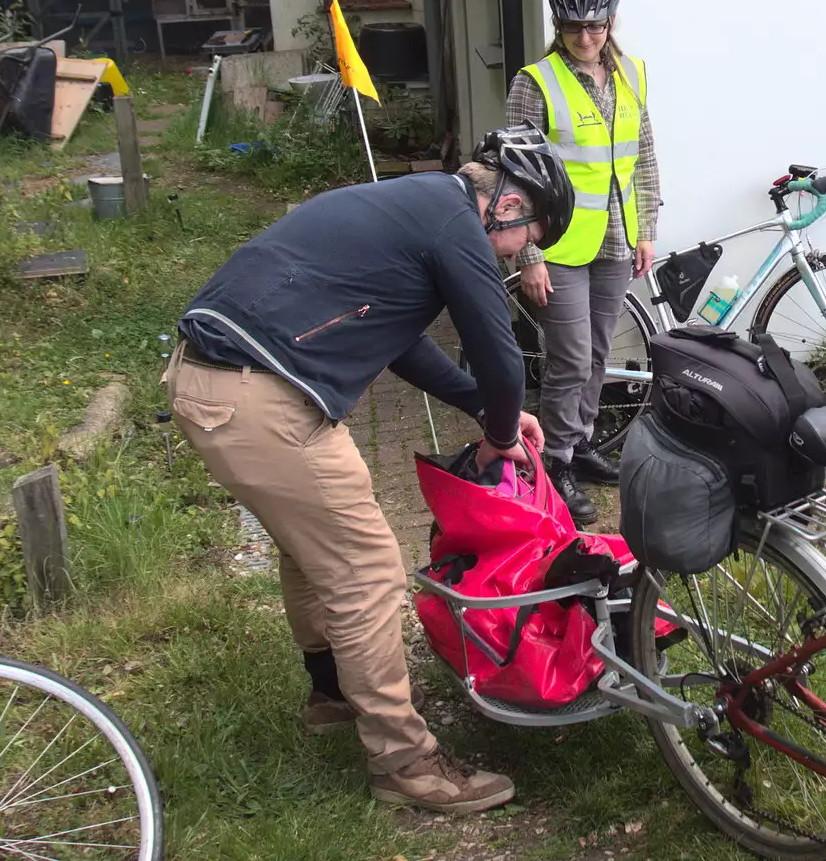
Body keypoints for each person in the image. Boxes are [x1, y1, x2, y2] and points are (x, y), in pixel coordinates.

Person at [164, 124, 574, 814]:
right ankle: (407, 764)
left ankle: (330, 693)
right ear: (507, 204)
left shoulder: (414, 202)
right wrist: (501, 430)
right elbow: (503, 359)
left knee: (310, 549)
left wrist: (480, 409)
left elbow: (406, 343)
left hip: (204, 380)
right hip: (261, 399)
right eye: (527, 238)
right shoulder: (457, 225)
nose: (516, 254)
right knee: (368, 572)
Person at [505, 0, 662, 526]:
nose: (586, 37)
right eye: (574, 26)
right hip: (558, 244)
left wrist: (646, 228)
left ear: (612, 20)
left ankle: (582, 442)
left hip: (616, 238)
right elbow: (513, 175)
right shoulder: (536, 81)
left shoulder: (633, 74)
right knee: (570, 359)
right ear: (558, 23)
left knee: (600, 353)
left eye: (596, 26)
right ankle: (555, 461)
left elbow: (643, 155)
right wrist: (527, 254)